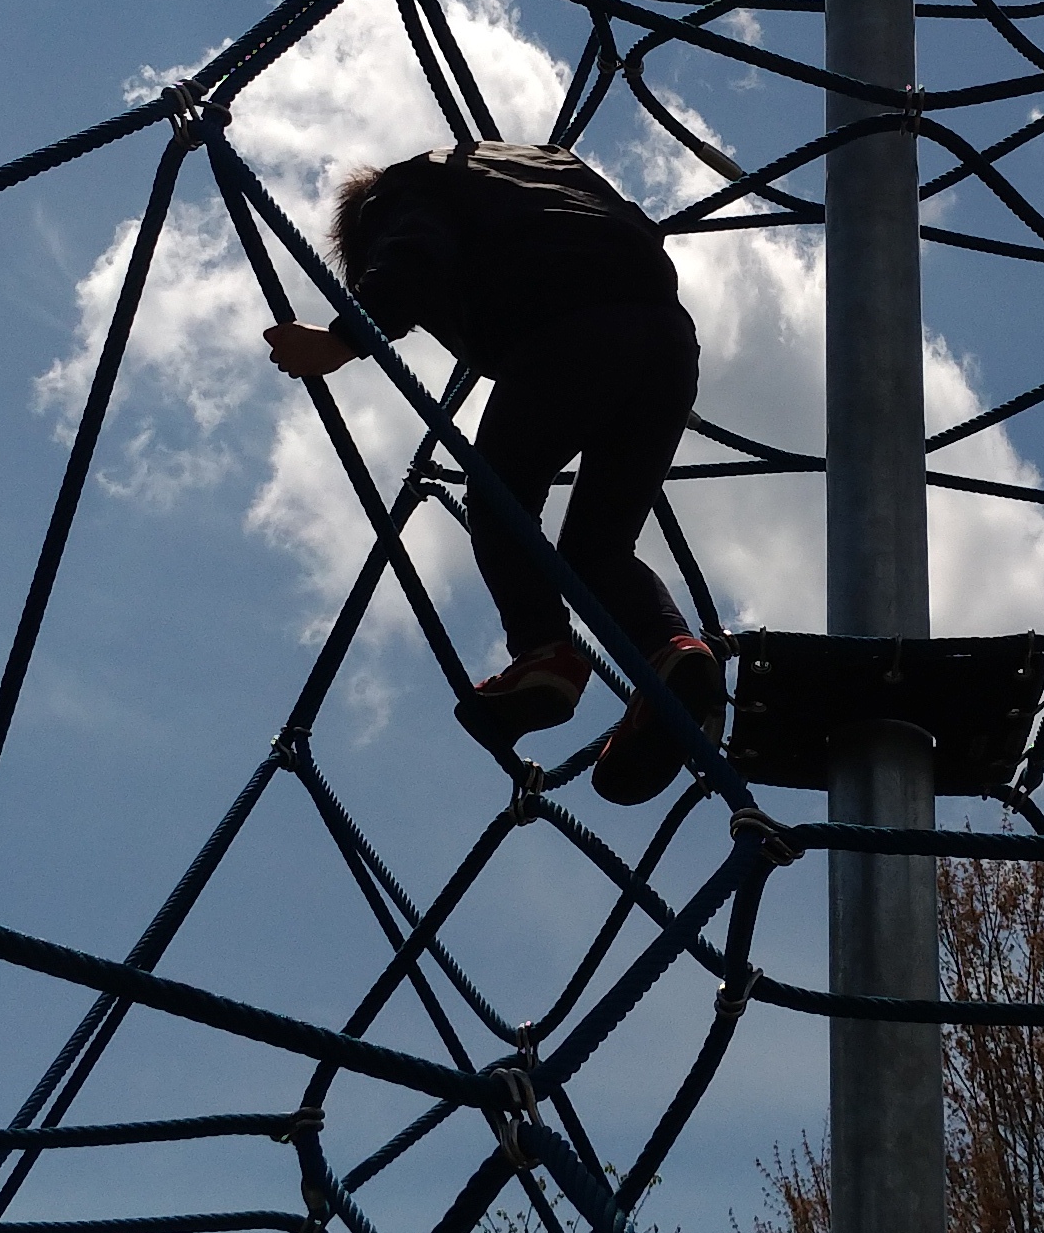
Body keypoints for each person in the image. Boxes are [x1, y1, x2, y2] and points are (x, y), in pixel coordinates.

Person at [263, 140, 723, 804]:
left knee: (499, 497)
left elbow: (413, 255)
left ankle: (546, 655)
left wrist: (341, 339)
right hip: (668, 341)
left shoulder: (402, 193)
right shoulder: (547, 163)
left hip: (567, 331)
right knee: (598, 549)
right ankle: (676, 650)